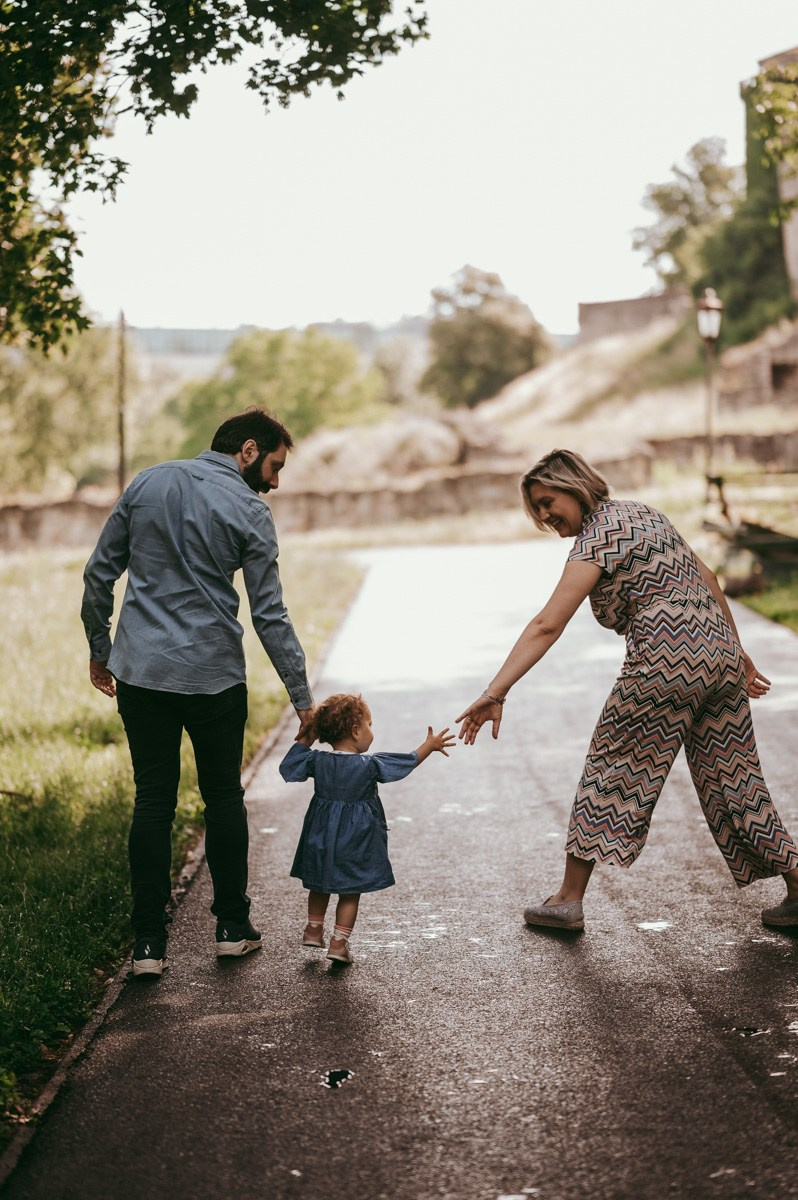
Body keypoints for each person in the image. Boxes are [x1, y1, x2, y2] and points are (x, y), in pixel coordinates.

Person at [456, 448, 798, 932]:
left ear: (575, 487)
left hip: (665, 660)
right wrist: (736, 651)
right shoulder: (645, 514)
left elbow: (547, 624)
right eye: (536, 508)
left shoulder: (597, 536)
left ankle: (567, 900)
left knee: (612, 768)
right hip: (718, 654)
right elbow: (707, 577)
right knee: (734, 779)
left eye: (548, 502)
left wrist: (496, 691)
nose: (544, 515)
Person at [81, 408, 314, 977]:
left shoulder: (148, 483)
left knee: (152, 801)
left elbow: (98, 574)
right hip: (214, 678)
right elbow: (270, 615)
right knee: (224, 799)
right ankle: (232, 928)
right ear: (248, 450)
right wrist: (302, 697)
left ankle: (147, 945)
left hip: (142, 674)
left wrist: (100, 648)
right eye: (275, 467)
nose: (274, 483)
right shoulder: (251, 511)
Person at [279, 693, 455, 964]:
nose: (372, 730)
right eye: (370, 724)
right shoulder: (369, 765)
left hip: (321, 835)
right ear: (355, 731)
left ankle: (313, 929)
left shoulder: (317, 761)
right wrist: (428, 746)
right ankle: (338, 943)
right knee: (350, 890)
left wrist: (308, 737)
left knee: (320, 884)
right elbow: (404, 763)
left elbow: (289, 767)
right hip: (356, 840)